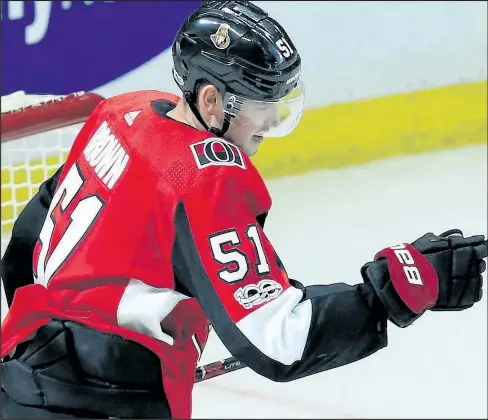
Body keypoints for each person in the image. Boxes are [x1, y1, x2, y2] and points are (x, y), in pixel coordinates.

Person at [1, 1, 486, 418]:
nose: (273, 118)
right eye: (263, 102)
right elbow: (281, 340)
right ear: (213, 100)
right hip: (99, 400)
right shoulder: (206, 174)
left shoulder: (123, 111)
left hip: (17, 371)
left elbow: (26, 243)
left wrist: (43, 353)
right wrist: (395, 292)